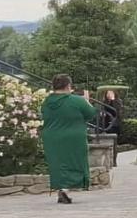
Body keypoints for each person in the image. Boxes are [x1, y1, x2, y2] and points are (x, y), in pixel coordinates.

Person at [41, 74, 98, 205]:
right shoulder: (76, 100)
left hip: (51, 137)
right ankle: (65, 190)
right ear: (68, 86)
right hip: (74, 137)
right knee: (75, 162)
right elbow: (90, 114)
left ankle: (61, 188)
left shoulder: (47, 102)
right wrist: (87, 100)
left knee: (58, 164)